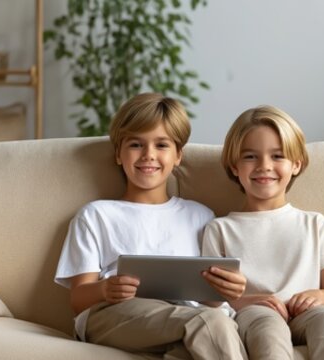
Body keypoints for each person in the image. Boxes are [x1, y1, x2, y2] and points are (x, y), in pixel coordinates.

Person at [54, 93, 248, 360]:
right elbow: (78, 299)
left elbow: (210, 300)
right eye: (136, 144)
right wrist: (104, 289)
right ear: (118, 155)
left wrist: (226, 291)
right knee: (210, 323)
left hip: (186, 318)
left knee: (203, 335)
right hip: (113, 314)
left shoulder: (201, 216)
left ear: (178, 155)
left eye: (161, 145)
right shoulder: (96, 215)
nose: (148, 155)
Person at [202, 105, 324, 360]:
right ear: (234, 166)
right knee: (269, 329)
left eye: (277, 156)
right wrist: (249, 301)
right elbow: (212, 300)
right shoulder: (219, 229)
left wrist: (317, 296)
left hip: (308, 314)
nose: (264, 166)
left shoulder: (315, 224)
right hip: (255, 314)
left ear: (296, 164)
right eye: (250, 157)